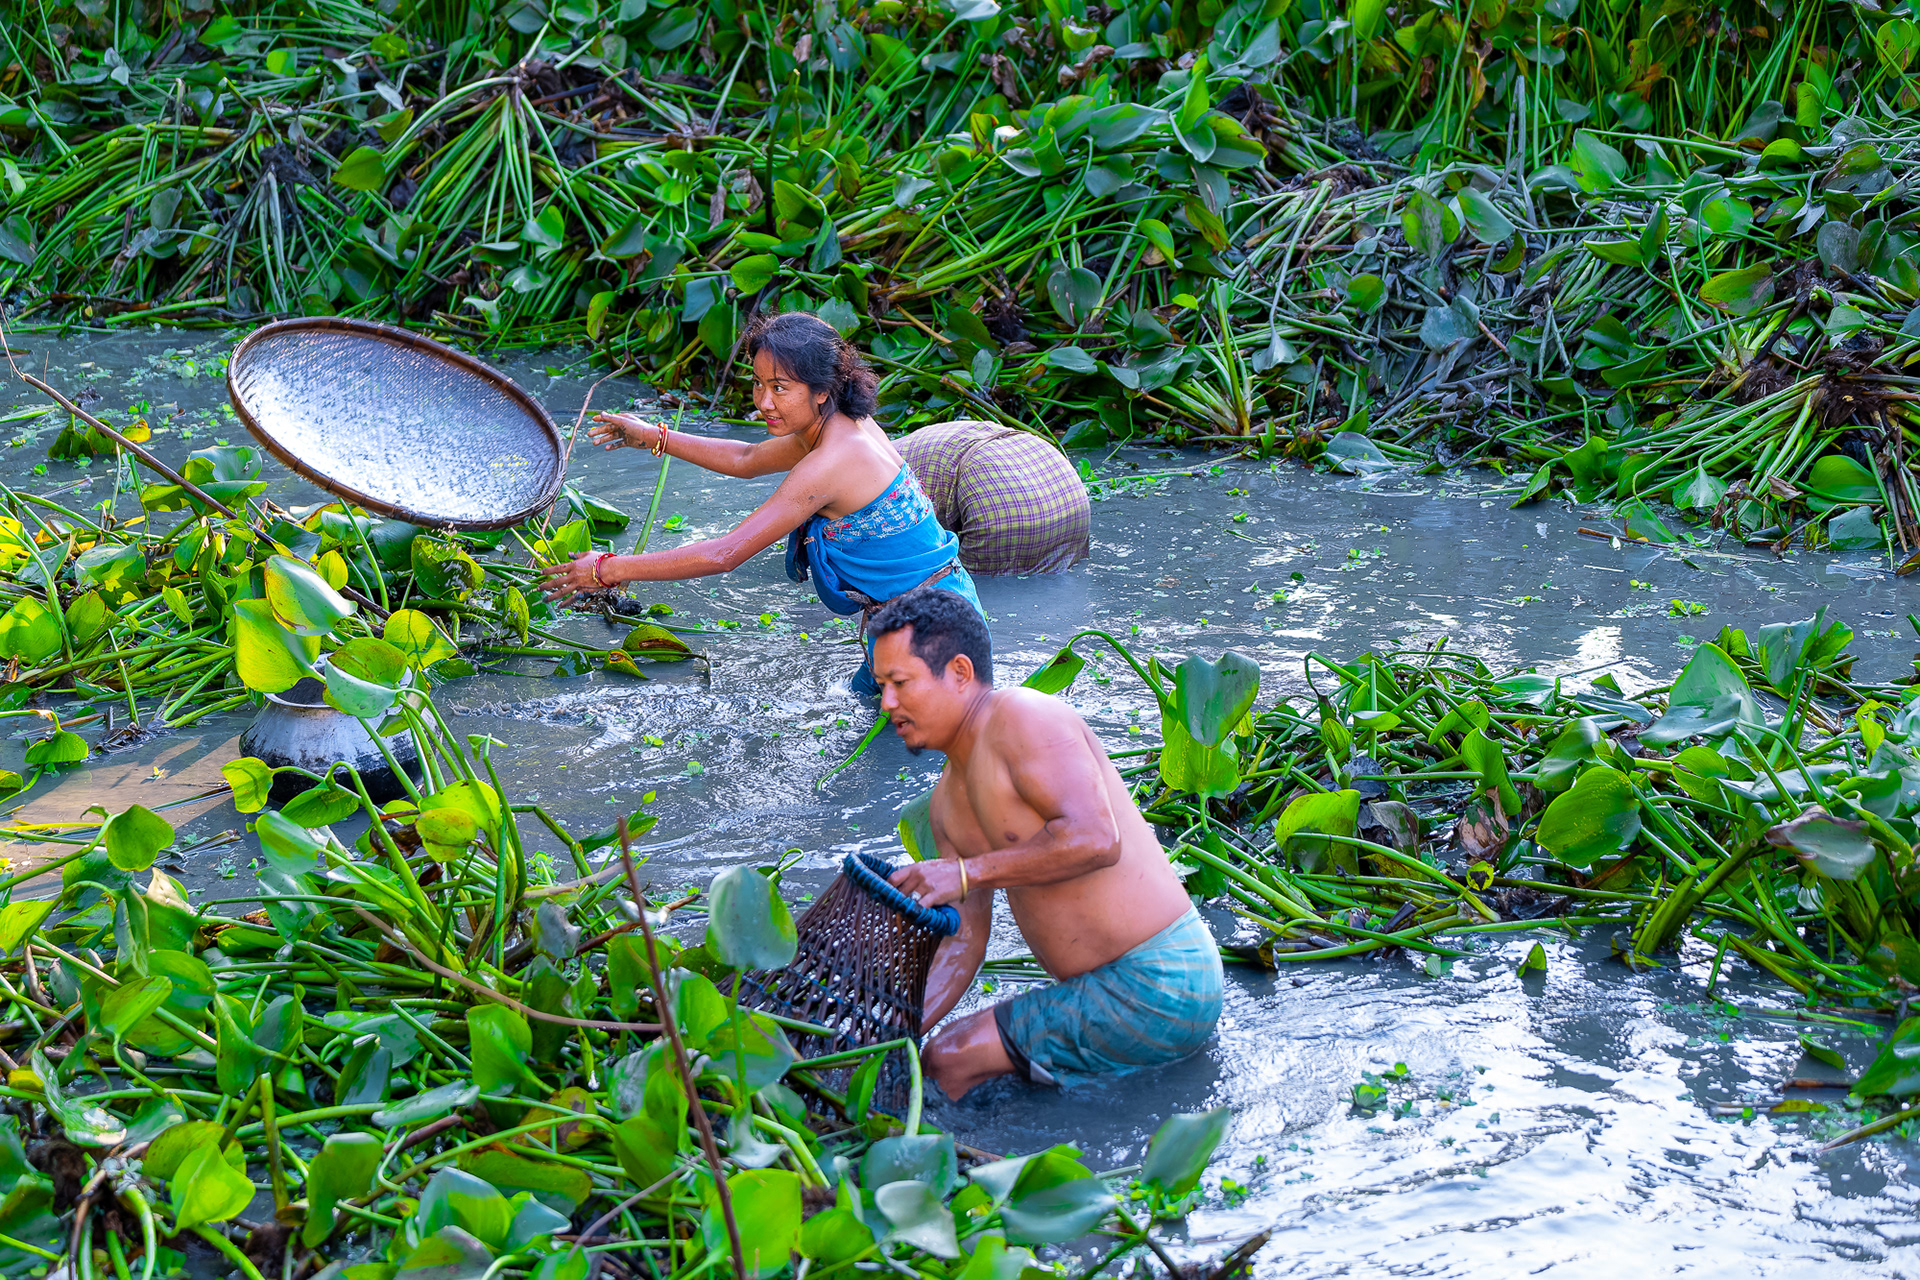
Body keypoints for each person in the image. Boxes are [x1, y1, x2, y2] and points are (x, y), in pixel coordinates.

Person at [869, 586, 1222, 1096]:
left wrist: (968, 872)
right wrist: (890, 1031)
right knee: (929, 1059)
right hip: (1092, 990)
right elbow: (965, 942)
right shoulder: (946, 804)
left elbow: (1098, 839)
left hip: (1164, 979)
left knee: (949, 1059)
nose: (888, 704)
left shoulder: (1025, 717)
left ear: (960, 674)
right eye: (882, 685)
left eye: (900, 682)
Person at [537, 312, 986, 694]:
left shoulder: (833, 460)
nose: (763, 402)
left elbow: (724, 554)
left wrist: (605, 570)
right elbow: (746, 458)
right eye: (757, 383)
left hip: (932, 635)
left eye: (781, 387)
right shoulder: (838, 425)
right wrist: (654, 436)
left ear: (822, 390)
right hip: (917, 618)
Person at [896, 420, 1091, 576]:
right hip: (1063, 481)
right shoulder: (896, 447)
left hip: (999, 495)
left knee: (972, 596)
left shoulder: (879, 470)